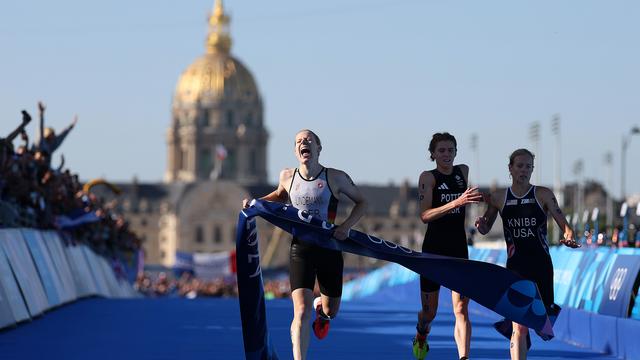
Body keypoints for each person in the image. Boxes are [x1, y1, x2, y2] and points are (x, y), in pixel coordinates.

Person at [242, 129, 367, 360]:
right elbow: (280, 195)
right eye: (299, 141)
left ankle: (323, 311)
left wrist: (346, 226)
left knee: (331, 311)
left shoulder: (335, 177)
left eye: (309, 140)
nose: (304, 143)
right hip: (301, 248)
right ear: (295, 151)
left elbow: (361, 202)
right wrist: (256, 203)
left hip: (330, 248)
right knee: (300, 310)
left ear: (319, 149)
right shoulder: (288, 177)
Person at [475, 148, 580, 360]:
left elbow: (565, 226)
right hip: (516, 268)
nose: (524, 170)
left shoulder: (543, 194)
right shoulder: (498, 198)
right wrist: (481, 226)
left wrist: (568, 237)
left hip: (541, 266)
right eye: (520, 166)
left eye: (528, 167)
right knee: (519, 327)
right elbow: (486, 228)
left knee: (542, 326)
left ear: (532, 170)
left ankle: (536, 328)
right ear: (510, 169)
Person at [413, 132, 482, 360]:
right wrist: (457, 202)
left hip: (458, 250)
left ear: (455, 153)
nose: (446, 154)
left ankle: (464, 357)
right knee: (429, 313)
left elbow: (480, 197)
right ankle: (422, 332)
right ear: (432, 154)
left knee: (461, 309)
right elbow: (424, 215)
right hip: (433, 250)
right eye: (441, 151)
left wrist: (487, 213)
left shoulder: (463, 172)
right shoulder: (428, 177)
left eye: (450, 150)